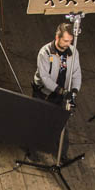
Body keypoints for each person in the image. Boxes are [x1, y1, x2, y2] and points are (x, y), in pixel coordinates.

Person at [31, 23, 82, 159]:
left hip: (62, 92)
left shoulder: (73, 52)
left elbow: (76, 73)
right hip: (44, 92)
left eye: (70, 41)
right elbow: (45, 78)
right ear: (57, 37)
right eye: (65, 41)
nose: (68, 44)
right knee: (38, 122)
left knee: (62, 123)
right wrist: (62, 91)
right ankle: (32, 151)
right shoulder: (45, 52)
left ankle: (62, 155)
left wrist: (74, 91)